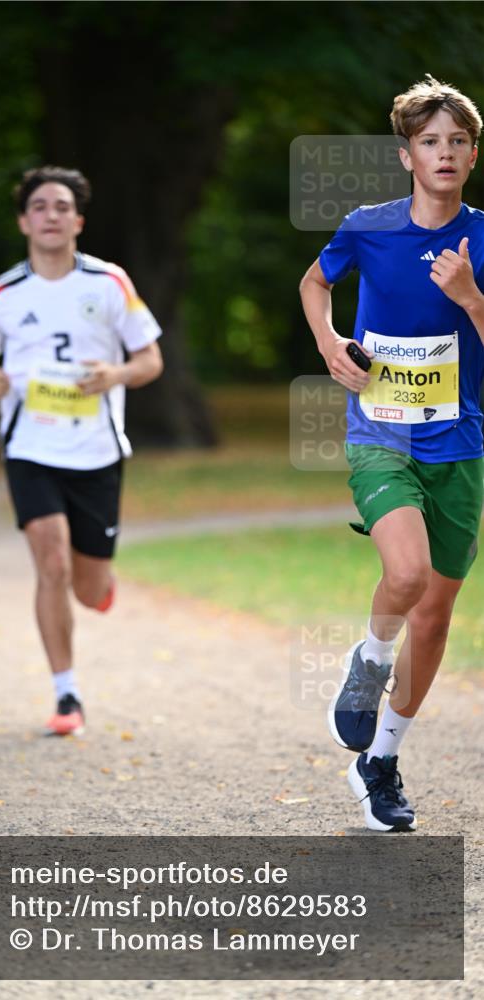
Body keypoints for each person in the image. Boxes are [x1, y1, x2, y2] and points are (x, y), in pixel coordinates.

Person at [300, 76, 484, 831]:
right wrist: (328, 342)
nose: (444, 152)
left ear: (472, 155)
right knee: (405, 575)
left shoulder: (483, 239)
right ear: (406, 154)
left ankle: (379, 762)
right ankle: (370, 660)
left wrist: (470, 297)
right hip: (380, 432)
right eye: (430, 141)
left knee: (435, 616)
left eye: (458, 141)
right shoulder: (367, 228)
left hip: (460, 443)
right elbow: (315, 282)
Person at [0, 166, 163, 736]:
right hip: (30, 446)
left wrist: (115, 374)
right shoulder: (0, 293)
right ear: (24, 222)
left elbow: (150, 360)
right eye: (39, 207)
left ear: (78, 221)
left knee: (87, 587)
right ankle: (66, 694)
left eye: (62, 207)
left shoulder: (110, 282)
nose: (51, 215)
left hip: (97, 451)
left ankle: (98, 584)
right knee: (50, 562)